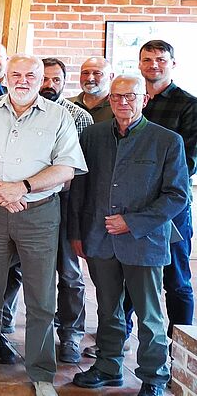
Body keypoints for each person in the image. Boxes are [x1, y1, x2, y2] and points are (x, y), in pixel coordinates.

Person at [0, 54, 87, 396]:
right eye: (16, 74)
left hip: (38, 213)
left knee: (40, 296)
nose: (22, 81)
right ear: (6, 77)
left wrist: (22, 187)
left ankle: (41, 372)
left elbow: (67, 168)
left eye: (30, 75)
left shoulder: (59, 115)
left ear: (40, 79)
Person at [69, 75, 189, 396]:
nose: (123, 102)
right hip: (99, 238)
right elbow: (80, 187)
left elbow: (177, 196)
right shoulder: (92, 136)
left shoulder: (167, 141)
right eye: (117, 96)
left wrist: (132, 222)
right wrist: (76, 233)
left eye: (131, 96)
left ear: (144, 100)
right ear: (109, 100)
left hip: (144, 241)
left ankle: (154, 378)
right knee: (108, 309)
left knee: (149, 315)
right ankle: (108, 367)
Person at [138, 40, 197, 338]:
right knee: (132, 276)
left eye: (161, 59)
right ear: (139, 64)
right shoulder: (134, 100)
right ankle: (121, 338)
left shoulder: (189, 105)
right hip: (134, 204)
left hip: (171, 206)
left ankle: (180, 347)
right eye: (147, 59)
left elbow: (188, 161)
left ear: (173, 64)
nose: (154, 65)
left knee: (176, 279)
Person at [37, 57, 95, 363]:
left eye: (56, 79)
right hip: (29, 203)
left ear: (64, 81)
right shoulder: (22, 113)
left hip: (67, 202)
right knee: (14, 269)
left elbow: (84, 169)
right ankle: (3, 326)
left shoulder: (79, 117)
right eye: (44, 79)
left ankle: (71, 334)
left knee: (70, 274)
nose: (49, 85)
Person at [68, 56, 114, 122]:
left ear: (111, 76)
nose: (89, 78)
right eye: (85, 73)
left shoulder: (119, 107)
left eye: (97, 73)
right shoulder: (66, 105)